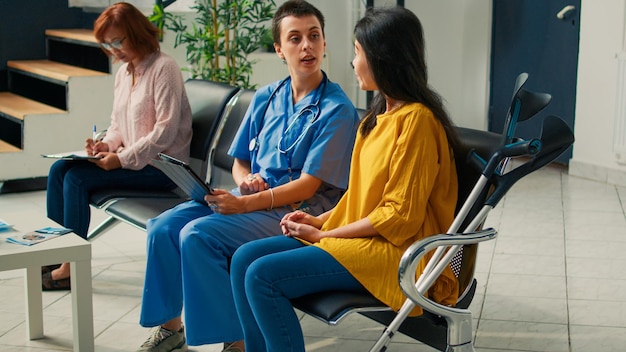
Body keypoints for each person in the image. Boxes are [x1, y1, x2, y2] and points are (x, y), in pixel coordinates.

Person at [230, 6, 461, 352]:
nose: (352, 63)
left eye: (358, 53)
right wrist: (318, 219)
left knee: (262, 277)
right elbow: (360, 197)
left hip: (395, 253)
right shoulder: (377, 117)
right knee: (243, 260)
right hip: (360, 241)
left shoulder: (417, 122)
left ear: (382, 59)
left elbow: (399, 217)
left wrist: (324, 234)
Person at [136, 1, 360, 351]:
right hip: (253, 200)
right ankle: (170, 327)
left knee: (198, 235)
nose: (307, 46)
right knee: (163, 227)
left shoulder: (337, 110)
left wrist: (244, 204)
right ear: (279, 49)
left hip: (295, 212)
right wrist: (246, 179)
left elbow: (307, 185)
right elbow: (239, 159)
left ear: (325, 43)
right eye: (295, 38)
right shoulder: (266, 97)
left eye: (314, 36)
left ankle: (236, 342)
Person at [43, 1, 193, 291]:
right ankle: (56, 252)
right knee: (59, 169)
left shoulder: (164, 68)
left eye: (117, 41)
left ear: (136, 33)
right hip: (135, 161)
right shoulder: (126, 72)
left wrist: (121, 159)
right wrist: (105, 145)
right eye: (107, 44)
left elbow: (164, 131)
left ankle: (72, 267)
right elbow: (118, 123)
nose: (113, 50)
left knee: (76, 179)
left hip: (161, 168)